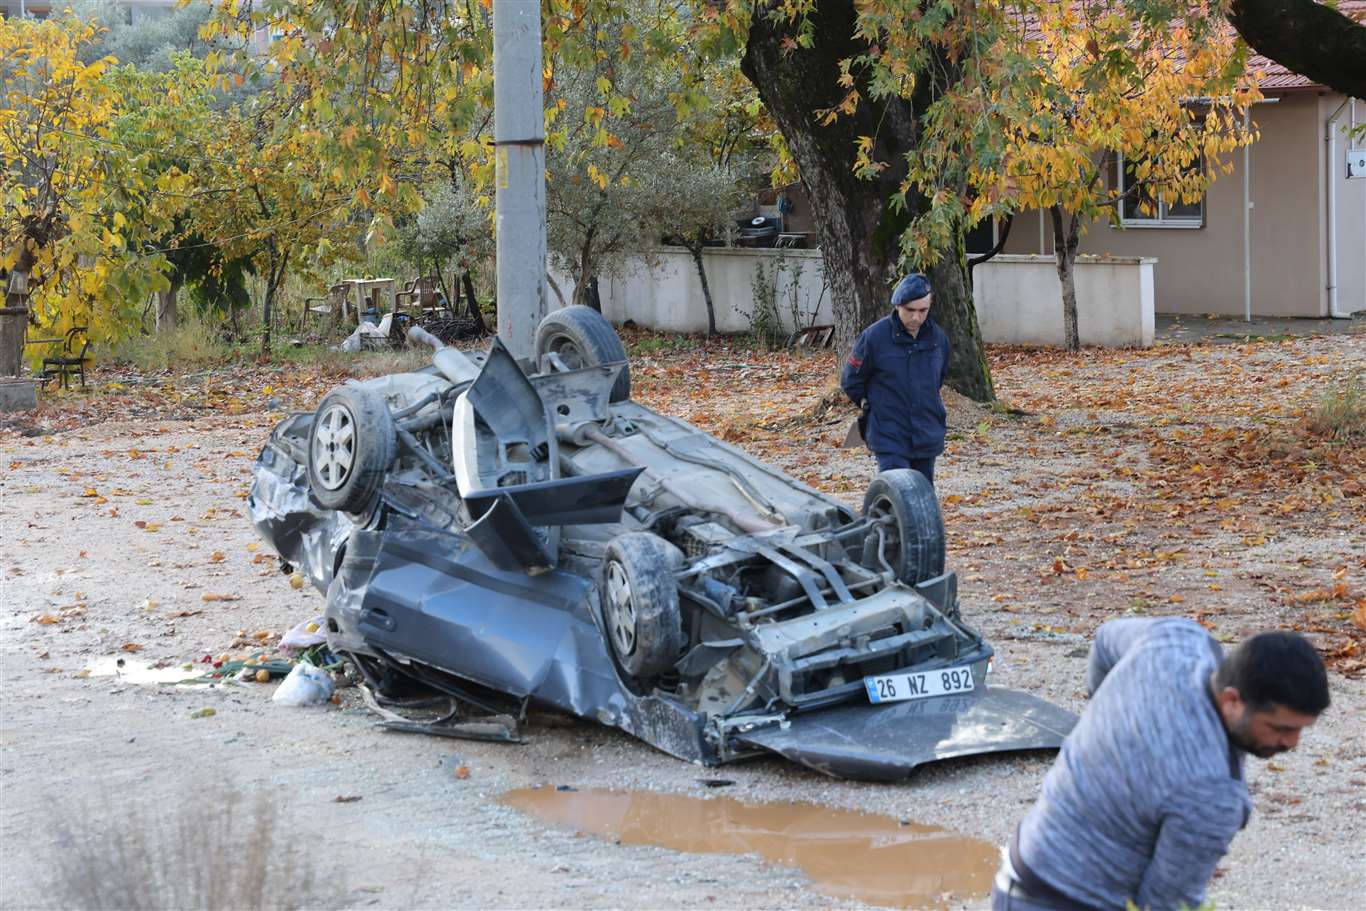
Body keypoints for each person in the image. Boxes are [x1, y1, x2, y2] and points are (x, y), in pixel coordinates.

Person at [993, 619, 1330, 911]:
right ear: (1232, 700)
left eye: (1301, 728)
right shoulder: (1212, 792)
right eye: (1281, 728)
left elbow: (1105, 640)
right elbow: (1163, 905)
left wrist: (1102, 722)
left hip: (1021, 866)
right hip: (1063, 899)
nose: (1292, 743)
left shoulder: (1174, 641)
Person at [840, 273, 951, 486]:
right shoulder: (874, 338)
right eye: (910, 311)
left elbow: (939, 377)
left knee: (922, 498)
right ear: (898, 305)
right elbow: (851, 380)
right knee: (898, 492)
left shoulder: (938, 339)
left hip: (926, 433)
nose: (916, 318)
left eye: (922, 311)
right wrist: (868, 404)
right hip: (889, 433)